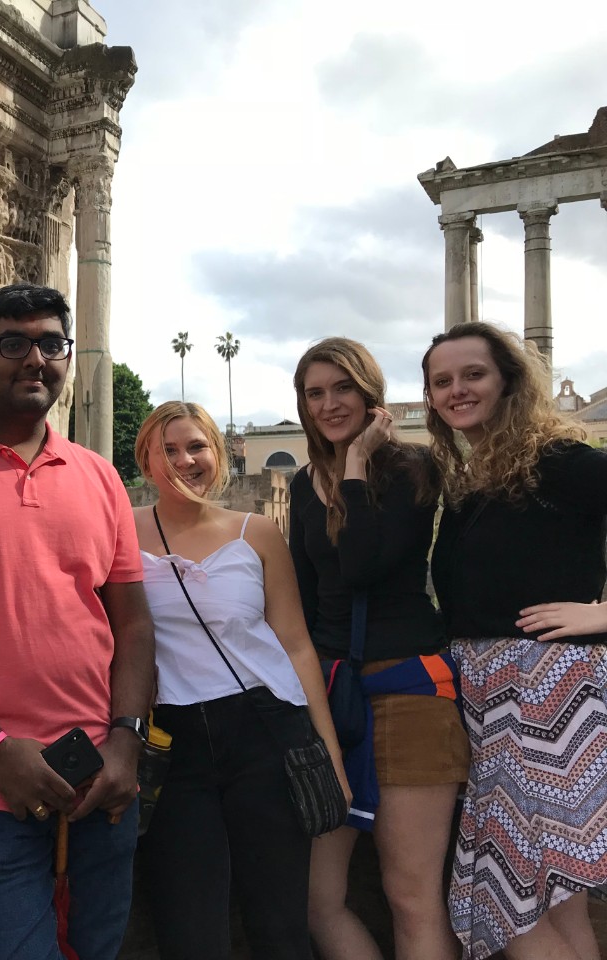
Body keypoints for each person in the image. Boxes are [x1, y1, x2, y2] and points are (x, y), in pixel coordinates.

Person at [0, 282, 155, 960]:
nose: (35, 359)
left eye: (52, 344)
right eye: (13, 344)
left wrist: (127, 744)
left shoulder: (100, 477)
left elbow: (131, 624)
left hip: (99, 778)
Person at [132, 401, 348, 959]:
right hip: (172, 739)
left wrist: (329, 753)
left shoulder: (256, 533)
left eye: (197, 446)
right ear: (146, 459)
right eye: (170, 449)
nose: (186, 460)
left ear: (218, 454)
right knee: (188, 926)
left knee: (279, 922)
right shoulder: (120, 532)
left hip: (264, 729)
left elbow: (296, 645)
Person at [425, 321, 607, 960]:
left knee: (513, 904)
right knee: (550, 899)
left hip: (547, 693)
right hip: (491, 697)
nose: (457, 390)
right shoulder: (479, 479)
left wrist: (603, 614)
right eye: (442, 381)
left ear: (508, 382)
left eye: (473, 374)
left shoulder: (559, 463)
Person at [289, 337, 468, 960]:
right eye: (316, 393)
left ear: (371, 393)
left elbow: (362, 565)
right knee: (317, 900)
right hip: (335, 694)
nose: (330, 404)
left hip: (410, 690)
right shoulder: (305, 484)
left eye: (343, 389)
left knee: (410, 894)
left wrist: (359, 462)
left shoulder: (411, 469)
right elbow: (305, 606)